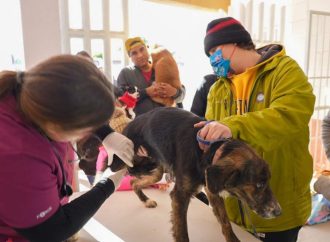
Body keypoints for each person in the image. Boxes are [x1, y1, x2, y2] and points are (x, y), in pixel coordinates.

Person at [195, 17, 315, 242]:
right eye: (209, 54)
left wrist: (232, 126)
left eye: (215, 50)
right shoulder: (217, 89)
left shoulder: (284, 70)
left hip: (279, 201)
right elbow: (214, 143)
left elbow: (289, 115)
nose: (213, 59)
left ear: (235, 43)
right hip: (233, 207)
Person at [0, 54, 134, 242]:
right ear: (56, 121)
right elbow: (49, 231)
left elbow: (76, 100)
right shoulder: (18, 154)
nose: (85, 134)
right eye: (83, 129)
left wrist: (106, 134)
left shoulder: (36, 94)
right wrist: (107, 185)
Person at [116, 37, 185, 116]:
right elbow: (121, 100)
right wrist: (146, 92)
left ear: (147, 49)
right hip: (142, 125)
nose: (140, 55)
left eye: (142, 49)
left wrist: (174, 92)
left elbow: (182, 94)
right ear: (130, 57)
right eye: (134, 53)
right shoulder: (126, 73)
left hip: (168, 122)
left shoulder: (163, 65)